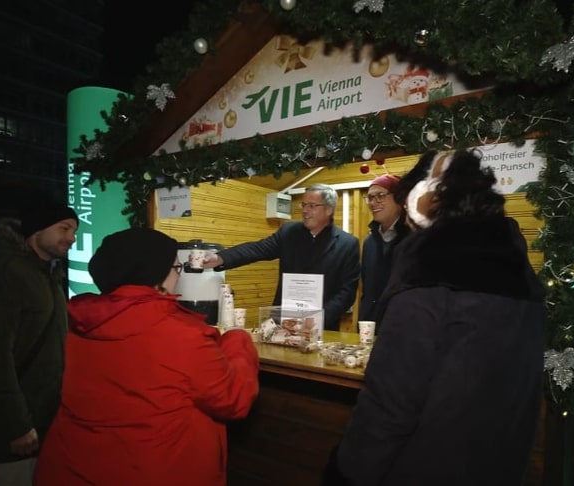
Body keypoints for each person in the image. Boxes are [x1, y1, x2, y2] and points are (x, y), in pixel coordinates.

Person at [322, 149, 546, 485]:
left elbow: (389, 407)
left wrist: (345, 473)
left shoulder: (425, 284)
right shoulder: (521, 280)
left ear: (421, 204)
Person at [34, 227, 260, 486]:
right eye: (176, 267)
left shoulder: (82, 322)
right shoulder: (180, 333)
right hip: (156, 470)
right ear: (156, 276)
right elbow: (233, 398)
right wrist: (236, 338)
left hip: (74, 467)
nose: (178, 275)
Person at [0, 202, 79, 486]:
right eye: (64, 228)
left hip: (47, 417)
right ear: (37, 230)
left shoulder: (47, 274)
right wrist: (15, 425)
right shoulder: (5, 274)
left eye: (75, 230)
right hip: (19, 424)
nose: (72, 237)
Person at [203, 183, 360, 331]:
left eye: (312, 206)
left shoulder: (347, 244)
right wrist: (220, 258)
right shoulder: (289, 232)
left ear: (328, 210)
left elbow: (346, 292)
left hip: (320, 328)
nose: (305, 210)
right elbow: (257, 249)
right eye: (303, 205)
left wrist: (319, 318)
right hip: (281, 323)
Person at [358, 173, 410, 324]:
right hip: (370, 326)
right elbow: (367, 290)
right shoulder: (370, 242)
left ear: (399, 198)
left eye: (380, 195)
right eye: (370, 198)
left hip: (402, 325)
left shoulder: (413, 239)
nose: (374, 202)